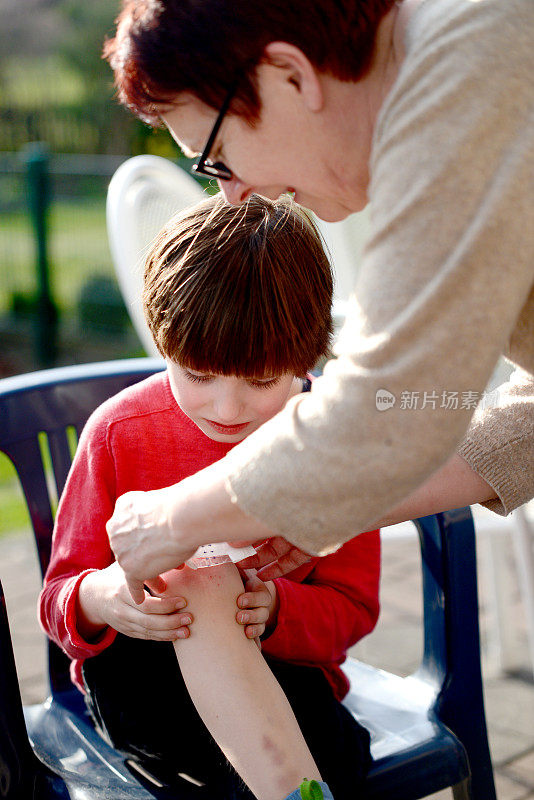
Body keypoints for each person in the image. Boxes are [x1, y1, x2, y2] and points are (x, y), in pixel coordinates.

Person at [102, 0, 533, 593]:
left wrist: (174, 519)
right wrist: (297, 507)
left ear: (291, 76)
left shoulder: (461, 79)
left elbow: (387, 405)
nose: (231, 195)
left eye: (219, 157)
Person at [39, 194, 380, 800]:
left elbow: (352, 609)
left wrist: (277, 610)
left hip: (287, 677)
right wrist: (103, 597)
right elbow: (59, 600)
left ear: (307, 361)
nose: (227, 408)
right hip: (143, 681)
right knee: (193, 581)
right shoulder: (119, 434)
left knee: (329, 758)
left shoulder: (334, 439)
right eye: (197, 375)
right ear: (163, 344)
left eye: (259, 381)